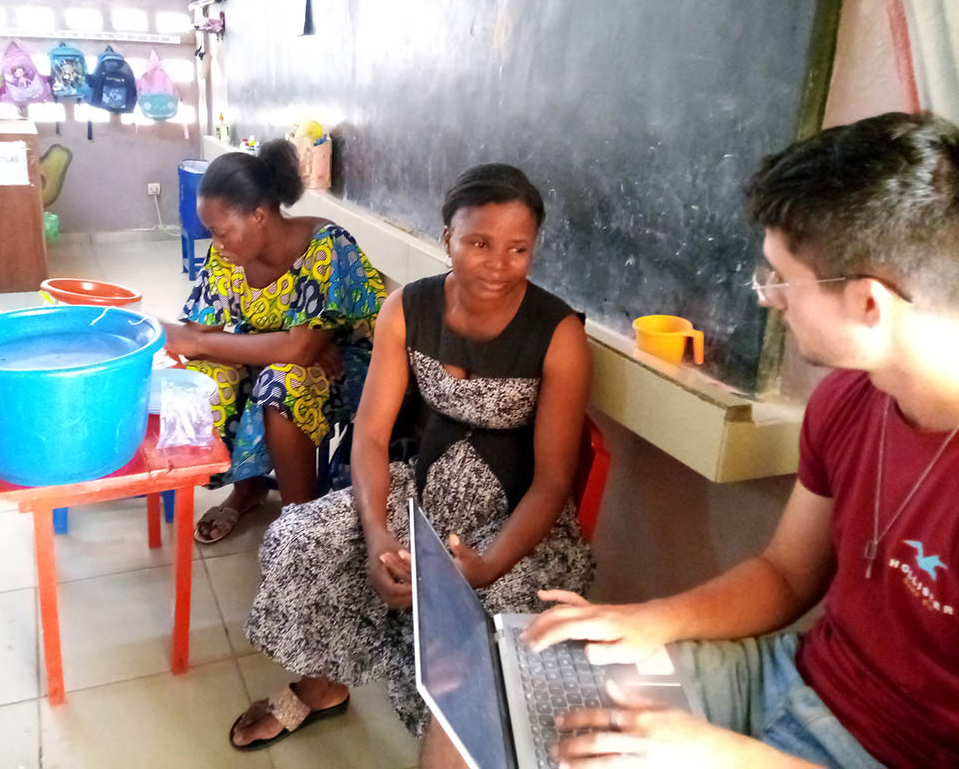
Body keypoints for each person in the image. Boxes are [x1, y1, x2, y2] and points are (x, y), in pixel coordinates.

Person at [518, 111, 959, 769]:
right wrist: (651, 619)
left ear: (870, 303)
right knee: (513, 692)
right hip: (787, 678)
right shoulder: (847, 399)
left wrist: (723, 755)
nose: (768, 297)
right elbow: (785, 573)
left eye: (783, 277)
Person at [228, 163, 596, 754]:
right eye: (479, 243)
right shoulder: (406, 308)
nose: (498, 265)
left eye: (518, 249)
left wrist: (489, 564)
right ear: (447, 237)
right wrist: (378, 538)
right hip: (420, 494)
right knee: (302, 536)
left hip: (514, 524)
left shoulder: (558, 333)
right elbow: (371, 437)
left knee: (482, 623)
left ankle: (458, 746)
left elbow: (553, 482)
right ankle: (322, 685)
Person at [163, 140, 386, 543]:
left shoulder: (325, 247)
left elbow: (298, 350)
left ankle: (297, 528)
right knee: (206, 378)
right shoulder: (228, 254)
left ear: (259, 216)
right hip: (287, 353)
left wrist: (291, 345)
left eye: (221, 232)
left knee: (283, 383)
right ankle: (247, 486)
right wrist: (172, 335)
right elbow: (203, 331)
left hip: (353, 367)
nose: (217, 244)